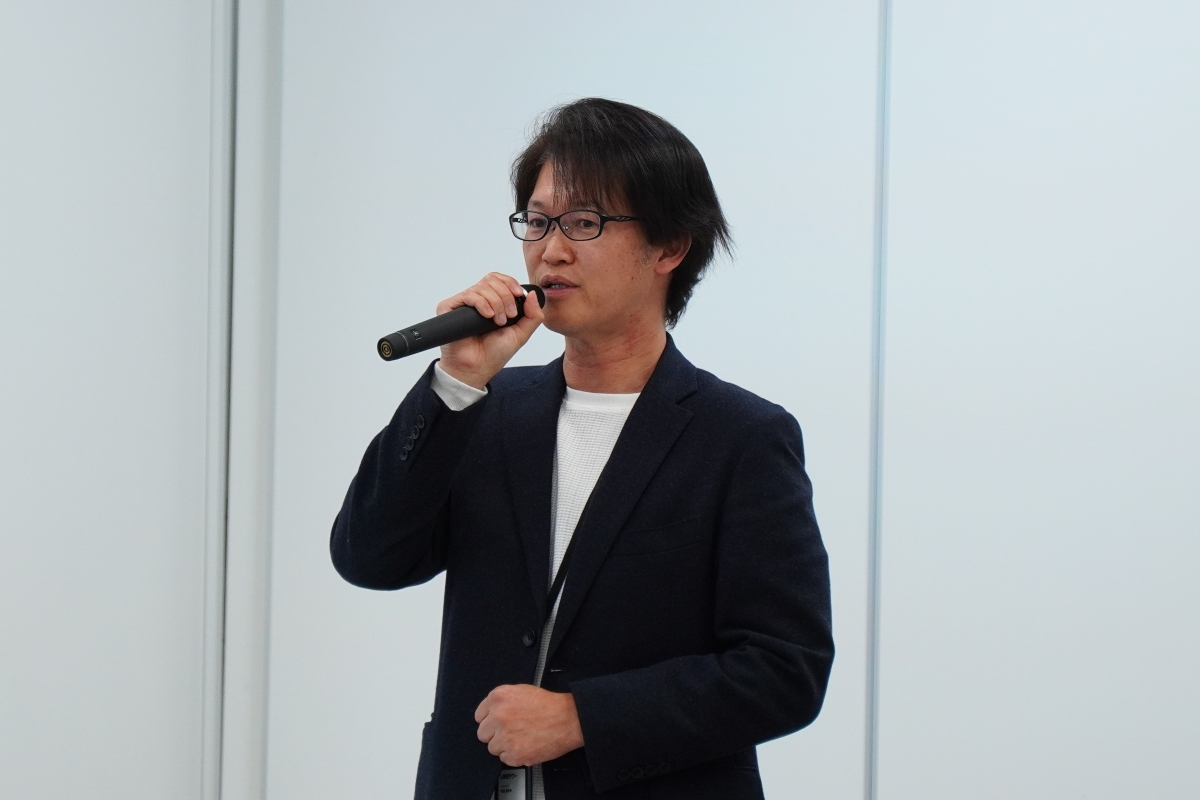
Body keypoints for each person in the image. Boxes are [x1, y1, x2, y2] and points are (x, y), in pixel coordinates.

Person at [331, 98, 833, 800]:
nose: (551, 249)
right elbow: (369, 558)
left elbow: (786, 670)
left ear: (669, 247)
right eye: (538, 221)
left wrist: (583, 718)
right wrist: (456, 381)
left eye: (585, 222)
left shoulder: (740, 436)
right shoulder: (485, 409)